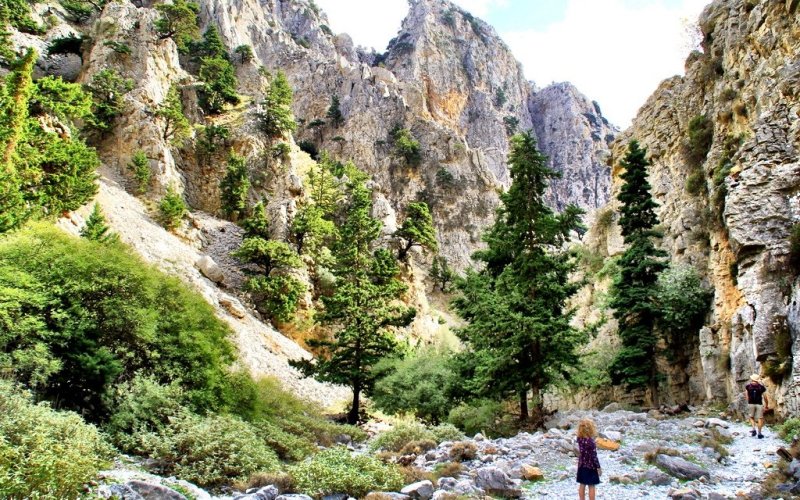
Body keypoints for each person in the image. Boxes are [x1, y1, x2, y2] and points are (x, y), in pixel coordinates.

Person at [576, 418, 601, 500]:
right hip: (591, 466)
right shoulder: (591, 442)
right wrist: (598, 467)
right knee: (591, 485)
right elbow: (594, 456)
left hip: (582, 465)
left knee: (582, 484)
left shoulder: (579, 439)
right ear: (591, 429)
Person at [745, 373, 769, 438]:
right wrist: (766, 405)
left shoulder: (748, 386)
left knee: (751, 417)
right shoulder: (761, 387)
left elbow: (746, 395)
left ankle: (753, 429)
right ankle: (759, 433)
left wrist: (748, 402)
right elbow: (765, 397)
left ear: (752, 379)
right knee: (760, 418)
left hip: (751, 404)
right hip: (759, 404)